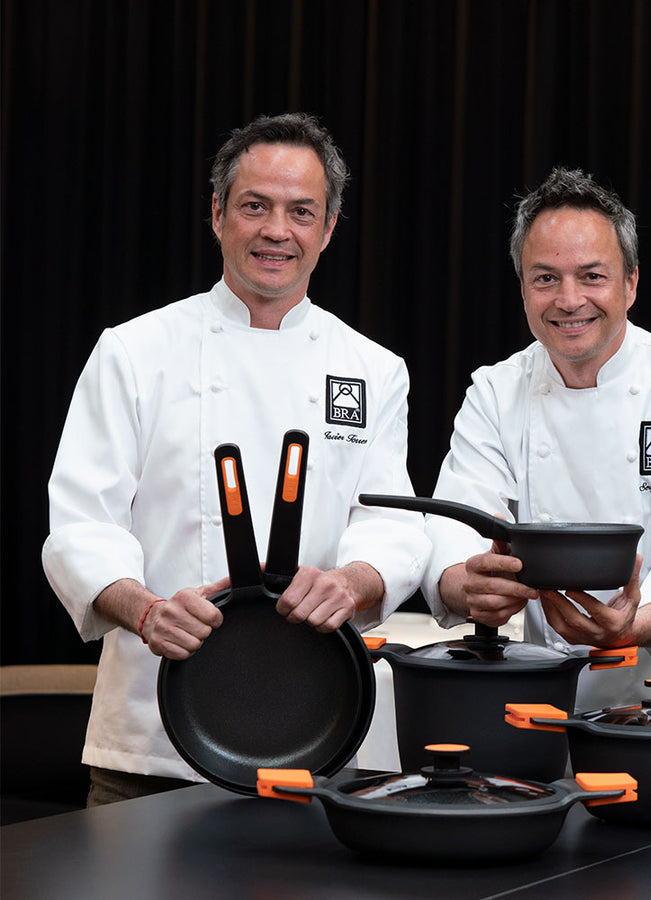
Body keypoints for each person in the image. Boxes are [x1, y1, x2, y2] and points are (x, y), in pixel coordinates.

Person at [42, 112, 430, 804]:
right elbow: (81, 526)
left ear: (328, 229)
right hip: (153, 742)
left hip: (319, 731)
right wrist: (145, 610)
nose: (277, 230)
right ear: (218, 214)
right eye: (255, 206)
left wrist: (353, 581)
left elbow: (392, 524)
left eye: (301, 212)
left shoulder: (372, 369)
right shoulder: (134, 351)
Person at [421, 167, 651, 714]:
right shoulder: (496, 392)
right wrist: (467, 582)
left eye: (592, 276)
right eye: (545, 278)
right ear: (522, 288)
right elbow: (457, 527)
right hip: (551, 706)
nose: (569, 300)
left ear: (631, 283)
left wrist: (634, 623)